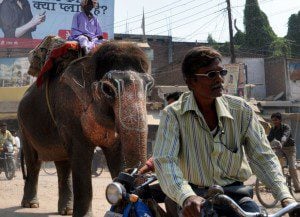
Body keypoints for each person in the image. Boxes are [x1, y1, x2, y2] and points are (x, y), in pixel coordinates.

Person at [152, 46, 298, 217]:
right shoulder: (173, 114)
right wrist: (186, 196)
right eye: (211, 75)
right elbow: (165, 161)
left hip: (237, 196)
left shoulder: (241, 109)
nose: (220, 80)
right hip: (195, 200)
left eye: (221, 73)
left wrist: (286, 197)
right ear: (191, 81)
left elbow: (262, 156)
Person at [268, 112, 300, 192]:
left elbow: (285, 136)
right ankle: (281, 182)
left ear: (280, 120)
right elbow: (269, 139)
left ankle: (297, 187)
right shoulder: (273, 129)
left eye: (276, 120)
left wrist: (282, 143)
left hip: (290, 149)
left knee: (292, 168)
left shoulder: (286, 127)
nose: (274, 122)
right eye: (273, 120)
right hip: (280, 149)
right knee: (276, 165)